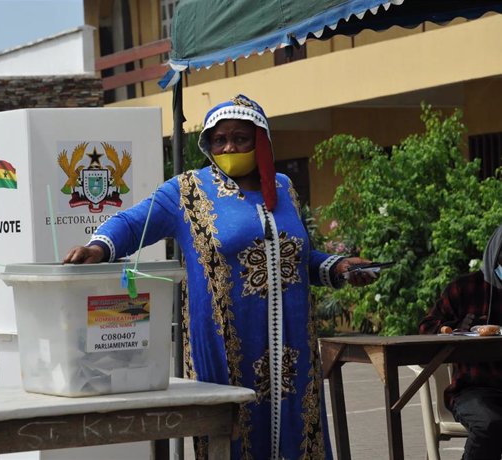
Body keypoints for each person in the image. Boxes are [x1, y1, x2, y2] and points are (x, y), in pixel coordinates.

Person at [65, 94, 376, 460]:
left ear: (261, 141)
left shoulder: (284, 189)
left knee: (297, 439)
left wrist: (338, 267)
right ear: (208, 144)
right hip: (226, 346)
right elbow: (132, 223)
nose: (229, 146)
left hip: (293, 349)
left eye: (240, 138)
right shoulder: (187, 192)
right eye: (219, 139)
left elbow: (293, 256)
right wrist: (99, 247)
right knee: (231, 439)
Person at [419, 223, 502, 459]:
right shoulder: (465, 288)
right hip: (473, 389)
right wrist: (448, 329)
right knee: (489, 425)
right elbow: (427, 326)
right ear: (496, 253)